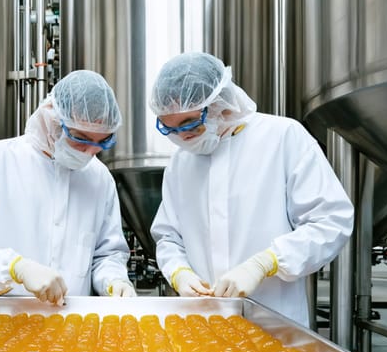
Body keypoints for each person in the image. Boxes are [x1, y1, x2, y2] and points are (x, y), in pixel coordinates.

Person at [149, 52, 354, 327]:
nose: (181, 137)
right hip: (204, 322)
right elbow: (168, 237)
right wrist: (179, 272)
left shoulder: (282, 137)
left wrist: (266, 262)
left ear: (220, 105)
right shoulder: (181, 162)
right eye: (170, 128)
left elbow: (331, 221)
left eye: (189, 124)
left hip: (275, 320)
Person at [0, 70, 136, 310]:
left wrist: (114, 280)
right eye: (80, 138)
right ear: (50, 117)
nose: (89, 152)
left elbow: (106, 254)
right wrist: (14, 268)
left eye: (101, 142)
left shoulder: (99, 179)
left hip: (66, 331)